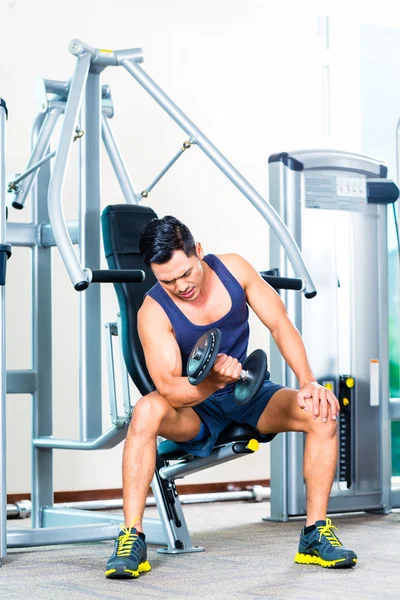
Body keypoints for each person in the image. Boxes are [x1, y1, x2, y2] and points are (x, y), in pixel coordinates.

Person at [105, 215, 357, 579]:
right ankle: (133, 538)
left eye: (186, 273)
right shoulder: (153, 310)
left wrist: (308, 381)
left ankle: (315, 534)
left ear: (200, 253)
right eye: (168, 280)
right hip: (195, 409)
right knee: (145, 410)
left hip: (248, 391)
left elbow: (279, 323)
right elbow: (171, 388)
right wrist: (210, 382)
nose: (181, 286)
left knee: (321, 411)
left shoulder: (234, 269)